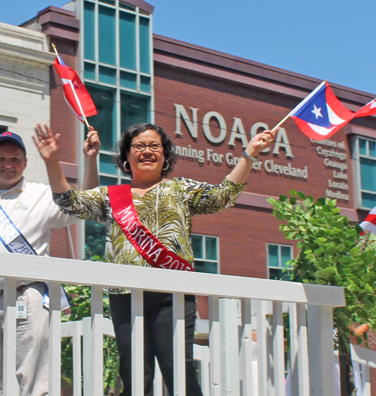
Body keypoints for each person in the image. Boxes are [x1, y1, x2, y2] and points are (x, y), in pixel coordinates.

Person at [33, 122, 275, 396]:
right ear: (126, 156)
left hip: (172, 296)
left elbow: (224, 195)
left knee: (179, 372)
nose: (147, 151)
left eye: (154, 146)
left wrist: (250, 154)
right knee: (135, 375)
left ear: (165, 155)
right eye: (138, 146)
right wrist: (52, 162)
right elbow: (69, 203)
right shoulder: (111, 197)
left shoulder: (180, 189)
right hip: (125, 295)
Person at [0, 128, 101, 396]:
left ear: (25, 163)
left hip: (28, 296)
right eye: (1, 158)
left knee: (37, 383)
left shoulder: (40, 193)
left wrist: (90, 161)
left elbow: (83, 205)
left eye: (15, 158)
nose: (8, 164)